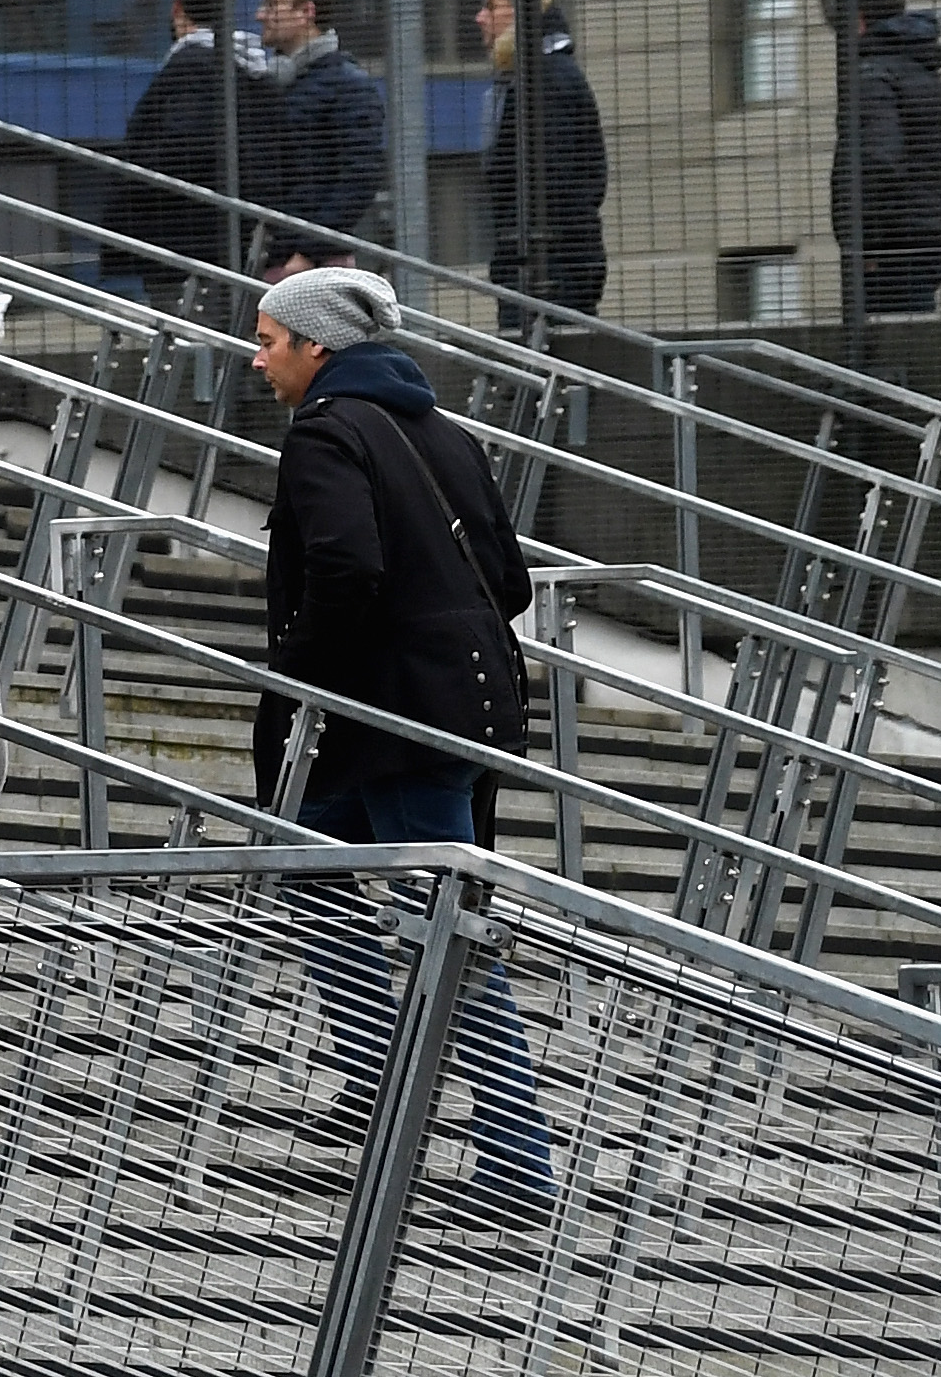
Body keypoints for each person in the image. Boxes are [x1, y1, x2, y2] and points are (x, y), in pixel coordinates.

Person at [246, 268, 559, 1216]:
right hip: (448, 708)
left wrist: (295, 675)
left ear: (317, 348)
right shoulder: (443, 432)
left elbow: (345, 570)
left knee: (450, 936)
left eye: (268, 341)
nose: (257, 360)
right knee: (307, 861)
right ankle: (381, 1082)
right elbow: (509, 581)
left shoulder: (327, 435)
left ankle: (516, 1170)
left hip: (388, 724)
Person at [474, 0, 610, 324]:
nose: (479, 18)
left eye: (491, 7)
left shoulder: (545, 81)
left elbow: (553, 182)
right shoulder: (533, 77)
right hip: (539, 267)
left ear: (521, 9)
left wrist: (521, 253)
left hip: (547, 272)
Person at [103, 0, 252, 291]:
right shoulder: (250, 69)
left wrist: (134, 171)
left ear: (176, 7)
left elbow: (183, 149)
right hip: (226, 242)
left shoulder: (190, 68)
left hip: (185, 244)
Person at [837, 0, 941, 316]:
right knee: (909, 340)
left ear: (859, 19)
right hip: (931, 240)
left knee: (881, 354)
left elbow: (878, 162)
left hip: (890, 248)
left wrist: (867, 246)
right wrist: (930, 213)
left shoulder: (871, 76)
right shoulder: (924, 73)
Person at [249, 0, 389, 257]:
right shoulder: (268, 84)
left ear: (306, 12)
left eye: (272, 4)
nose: (259, 15)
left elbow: (359, 178)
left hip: (308, 265)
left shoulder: (348, 85)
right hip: (268, 254)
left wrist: (310, 253)